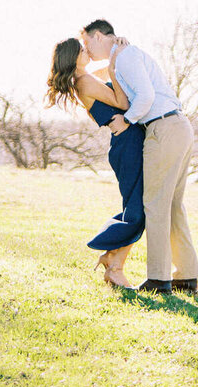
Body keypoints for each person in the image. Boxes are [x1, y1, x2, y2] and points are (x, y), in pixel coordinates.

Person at [79, 19, 198, 295]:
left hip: (162, 129)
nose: (86, 48)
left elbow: (144, 96)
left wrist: (127, 119)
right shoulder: (124, 55)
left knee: (155, 205)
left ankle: (158, 279)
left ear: (98, 36)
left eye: (87, 43)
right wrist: (111, 58)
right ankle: (186, 276)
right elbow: (96, 70)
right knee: (172, 206)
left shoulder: (126, 57)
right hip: (177, 126)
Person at [45, 37, 147, 289]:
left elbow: (104, 73)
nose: (86, 50)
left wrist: (116, 57)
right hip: (127, 145)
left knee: (138, 206)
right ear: (74, 57)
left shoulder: (84, 78)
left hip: (128, 142)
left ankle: (113, 260)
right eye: (82, 50)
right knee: (137, 209)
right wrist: (113, 68)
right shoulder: (84, 81)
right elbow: (123, 103)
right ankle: (114, 265)